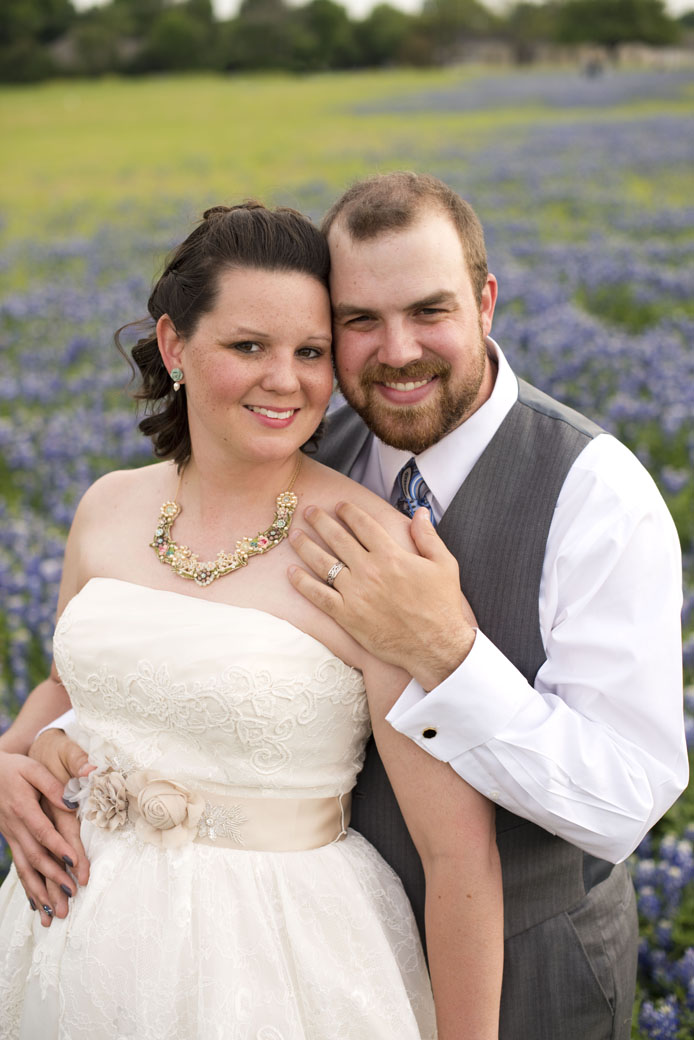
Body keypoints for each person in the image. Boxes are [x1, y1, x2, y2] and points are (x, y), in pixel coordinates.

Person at [0, 201, 504, 1039]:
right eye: (248, 347)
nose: (288, 380)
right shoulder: (107, 508)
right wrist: (11, 759)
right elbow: (69, 684)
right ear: (174, 348)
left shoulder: (369, 549)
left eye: (311, 351)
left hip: (271, 958)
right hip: (67, 935)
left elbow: (459, 856)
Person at [282, 172, 687, 1040]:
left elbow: (623, 798)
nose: (396, 352)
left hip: (535, 963)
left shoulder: (596, 491)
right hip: (332, 944)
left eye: (430, 311)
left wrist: (448, 652)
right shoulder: (310, 450)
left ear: (486, 302)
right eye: (361, 320)